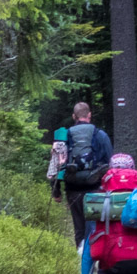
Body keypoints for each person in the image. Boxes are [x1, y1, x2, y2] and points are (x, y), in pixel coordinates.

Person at [58, 102, 111, 247]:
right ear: (89, 115)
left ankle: (83, 262)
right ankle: (96, 259)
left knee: (79, 228)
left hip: (73, 190)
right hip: (95, 188)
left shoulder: (65, 136)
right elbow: (109, 163)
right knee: (95, 227)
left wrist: (56, 191)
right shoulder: (100, 135)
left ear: (74, 116)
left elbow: (57, 165)